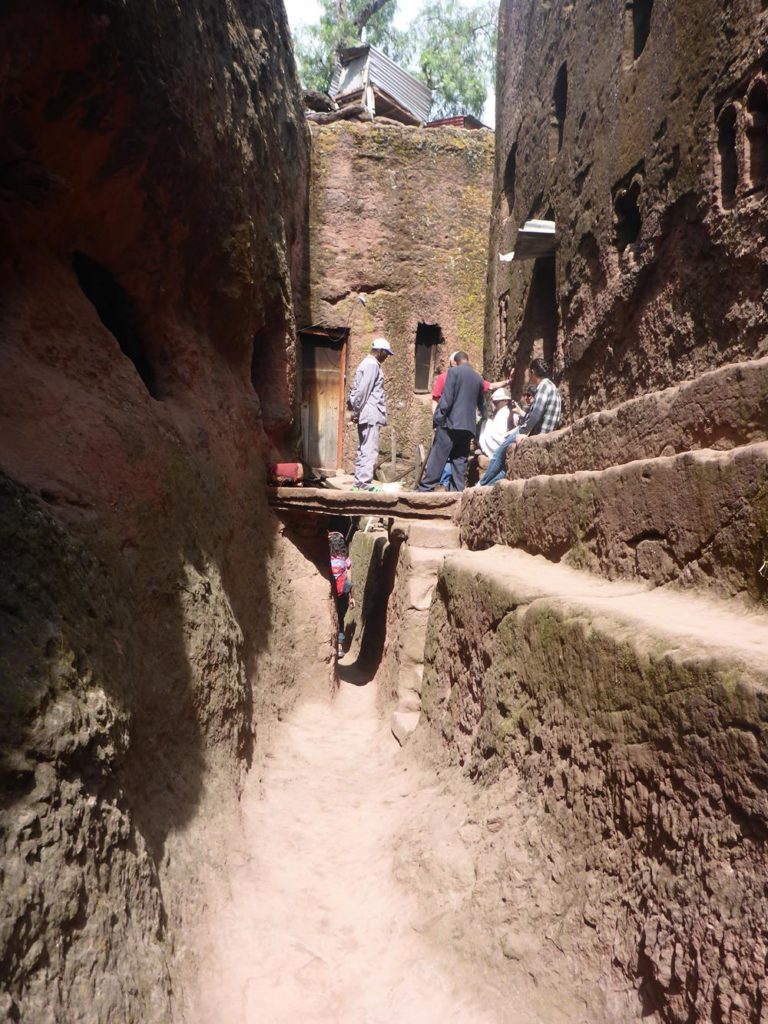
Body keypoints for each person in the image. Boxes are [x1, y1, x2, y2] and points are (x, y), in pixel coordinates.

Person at [478, 358, 561, 486]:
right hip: (543, 432)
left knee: (499, 453)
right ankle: (487, 486)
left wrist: (523, 432)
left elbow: (536, 414)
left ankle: (481, 484)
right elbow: (536, 415)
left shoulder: (543, 386)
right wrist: (521, 413)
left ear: (532, 372)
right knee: (507, 467)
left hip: (536, 433)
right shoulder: (552, 387)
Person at [417, 351, 485, 492]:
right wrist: (483, 420)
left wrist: (438, 419)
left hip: (451, 424)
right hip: (467, 428)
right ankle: (456, 493)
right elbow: (482, 405)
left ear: (455, 362)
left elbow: (447, 399)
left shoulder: (453, 372)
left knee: (438, 458)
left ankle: (425, 489)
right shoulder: (478, 378)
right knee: (459, 461)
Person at [348, 337, 393, 491]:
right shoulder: (372, 365)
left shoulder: (366, 364)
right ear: (380, 351)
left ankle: (359, 481)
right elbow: (363, 391)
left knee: (364, 447)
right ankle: (363, 483)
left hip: (365, 412)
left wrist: (356, 411)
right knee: (369, 449)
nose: (387, 357)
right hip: (370, 413)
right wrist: (356, 410)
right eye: (386, 353)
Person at [328, 531, 354, 656]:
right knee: (340, 619)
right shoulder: (345, 560)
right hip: (343, 594)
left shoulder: (326, 559)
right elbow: (349, 581)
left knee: (331, 617)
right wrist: (352, 597)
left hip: (330, 594)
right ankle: (339, 647)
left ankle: (330, 644)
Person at [478, 387, 512, 459]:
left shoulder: (507, 413)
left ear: (505, 401)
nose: (495, 404)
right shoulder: (500, 413)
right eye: (494, 402)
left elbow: (500, 434)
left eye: (497, 402)